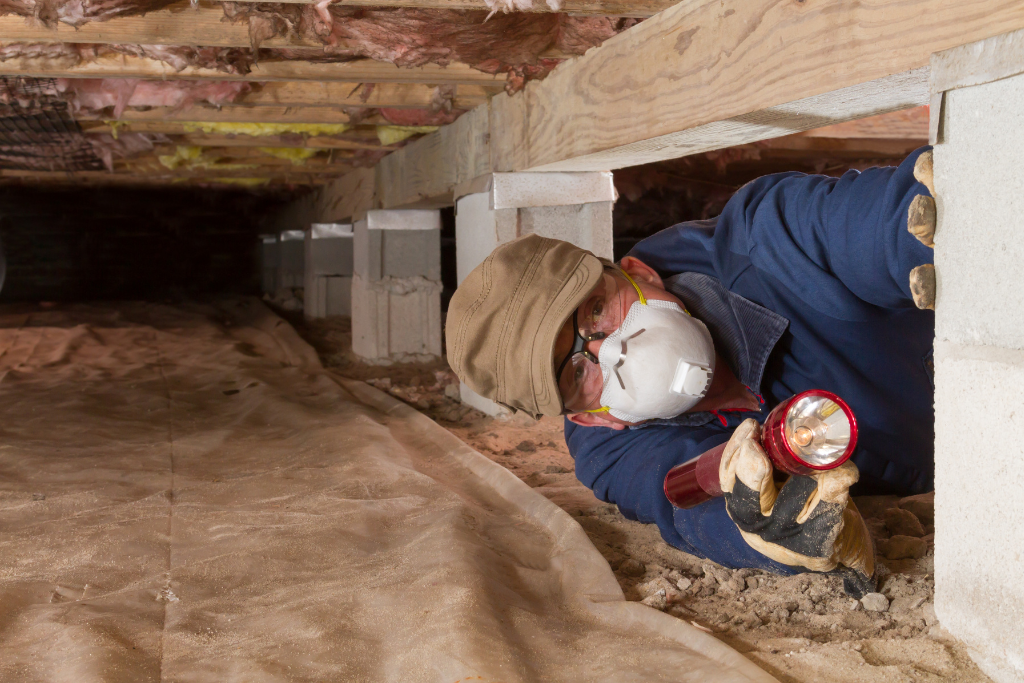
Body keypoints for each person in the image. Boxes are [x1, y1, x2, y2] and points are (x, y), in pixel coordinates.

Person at [445, 147, 937, 597]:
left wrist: (930, 222)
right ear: (591, 419)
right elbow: (683, 503)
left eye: (595, 313)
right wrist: (761, 530)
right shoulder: (612, 455)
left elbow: (864, 224)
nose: (610, 350)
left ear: (638, 273)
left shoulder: (765, 243)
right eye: (576, 373)